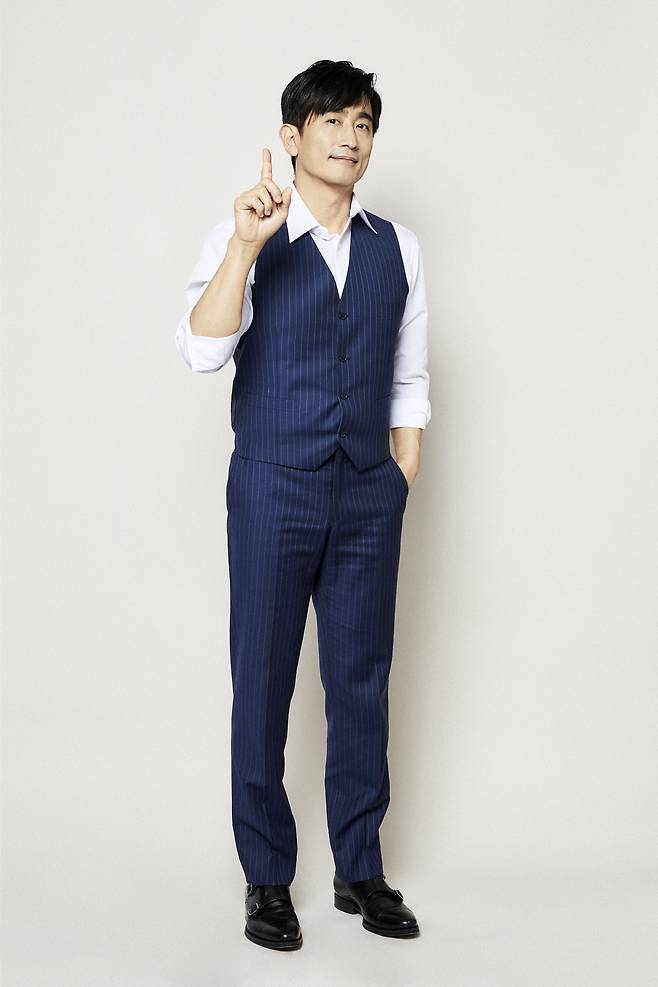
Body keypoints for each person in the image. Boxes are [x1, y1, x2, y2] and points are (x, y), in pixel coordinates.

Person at [175, 59, 430, 950]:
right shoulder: (245, 232)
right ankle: (266, 877)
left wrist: (399, 475)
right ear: (292, 137)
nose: (349, 139)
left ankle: (360, 866)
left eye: (363, 124)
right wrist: (245, 249)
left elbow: (408, 377)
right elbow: (201, 351)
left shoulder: (398, 247)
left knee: (362, 681)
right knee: (264, 681)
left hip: (367, 492)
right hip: (272, 486)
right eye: (331, 122)